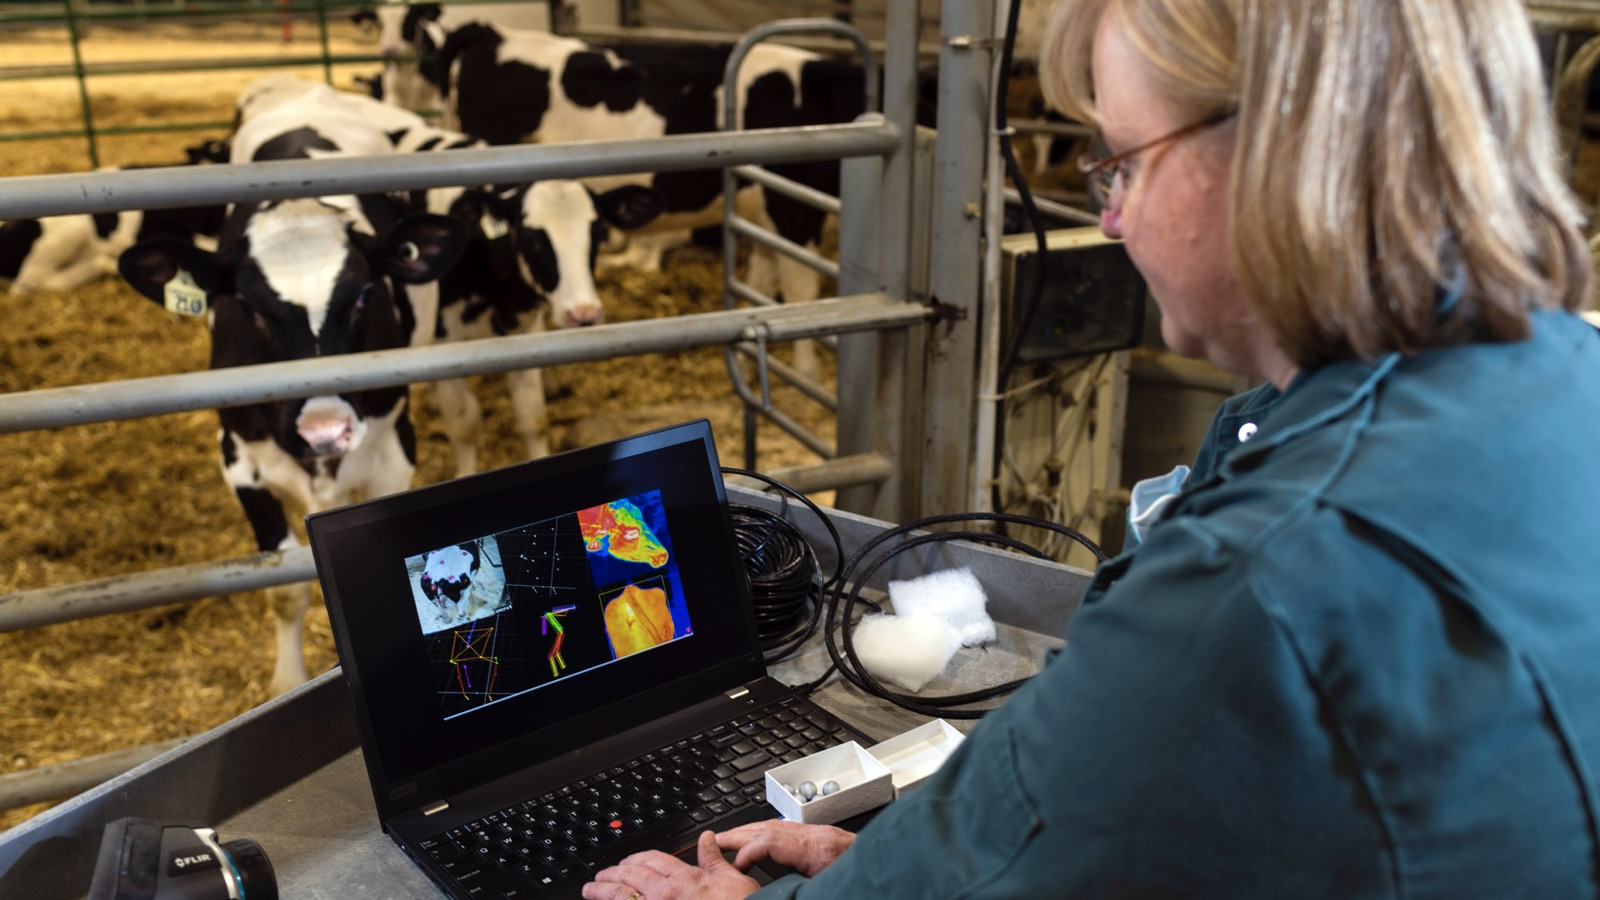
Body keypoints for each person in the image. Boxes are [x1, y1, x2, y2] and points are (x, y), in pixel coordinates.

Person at [582, 0, 1600, 896]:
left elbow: (1052, 825)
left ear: (1280, 157)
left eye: (1121, 161)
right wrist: (887, 868)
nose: (1108, 220)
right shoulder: (1563, 375)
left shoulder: (1260, 580)